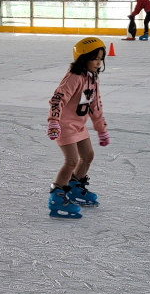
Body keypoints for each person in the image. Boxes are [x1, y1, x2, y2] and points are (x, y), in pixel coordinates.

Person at [46, 37, 110, 219]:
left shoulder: (92, 78)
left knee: (88, 156)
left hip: (79, 125)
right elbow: (57, 98)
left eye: (101, 59)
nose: (98, 63)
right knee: (72, 160)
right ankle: (56, 196)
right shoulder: (74, 78)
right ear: (83, 58)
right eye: (95, 58)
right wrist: (53, 121)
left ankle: (74, 187)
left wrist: (101, 129)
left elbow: (95, 106)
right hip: (63, 125)